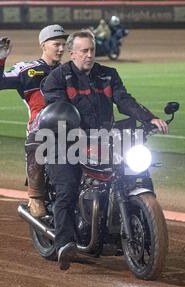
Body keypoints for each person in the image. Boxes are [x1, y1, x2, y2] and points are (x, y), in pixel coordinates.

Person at [41, 30, 168, 270]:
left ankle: (145, 230)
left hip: (105, 141)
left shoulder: (107, 75)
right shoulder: (57, 78)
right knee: (67, 188)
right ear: (72, 53)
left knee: (138, 174)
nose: (89, 55)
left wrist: (149, 118)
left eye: (92, 50)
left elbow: (124, 100)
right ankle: (64, 243)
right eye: (84, 51)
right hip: (65, 142)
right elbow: (57, 109)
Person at [0, 25, 68, 218]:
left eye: (64, 45)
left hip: (72, 127)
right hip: (42, 128)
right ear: (43, 45)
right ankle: (36, 195)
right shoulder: (27, 70)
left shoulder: (70, 71)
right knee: (38, 141)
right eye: (57, 44)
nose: (61, 49)